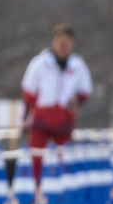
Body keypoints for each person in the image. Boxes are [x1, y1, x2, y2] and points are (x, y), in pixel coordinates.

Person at [21, 24, 92, 182]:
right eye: (59, 39)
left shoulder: (78, 66)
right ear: (54, 41)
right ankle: (35, 190)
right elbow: (28, 92)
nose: (62, 44)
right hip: (41, 117)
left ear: (71, 43)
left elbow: (85, 92)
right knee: (36, 156)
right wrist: (24, 118)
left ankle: (61, 191)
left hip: (64, 119)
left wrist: (77, 100)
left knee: (63, 158)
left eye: (66, 40)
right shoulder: (40, 63)